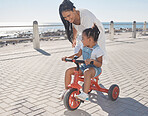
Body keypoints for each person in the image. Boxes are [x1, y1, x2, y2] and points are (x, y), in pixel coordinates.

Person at [60, 24, 104, 101]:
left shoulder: (97, 50)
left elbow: (100, 64)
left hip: (95, 69)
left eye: (83, 39)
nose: (81, 40)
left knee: (87, 72)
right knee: (69, 71)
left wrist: (92, 61)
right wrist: (67, 58)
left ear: (90, 40)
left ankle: (85, 94)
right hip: (84, 67)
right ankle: (66, 90)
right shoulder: (83, 46)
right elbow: (77, 55)